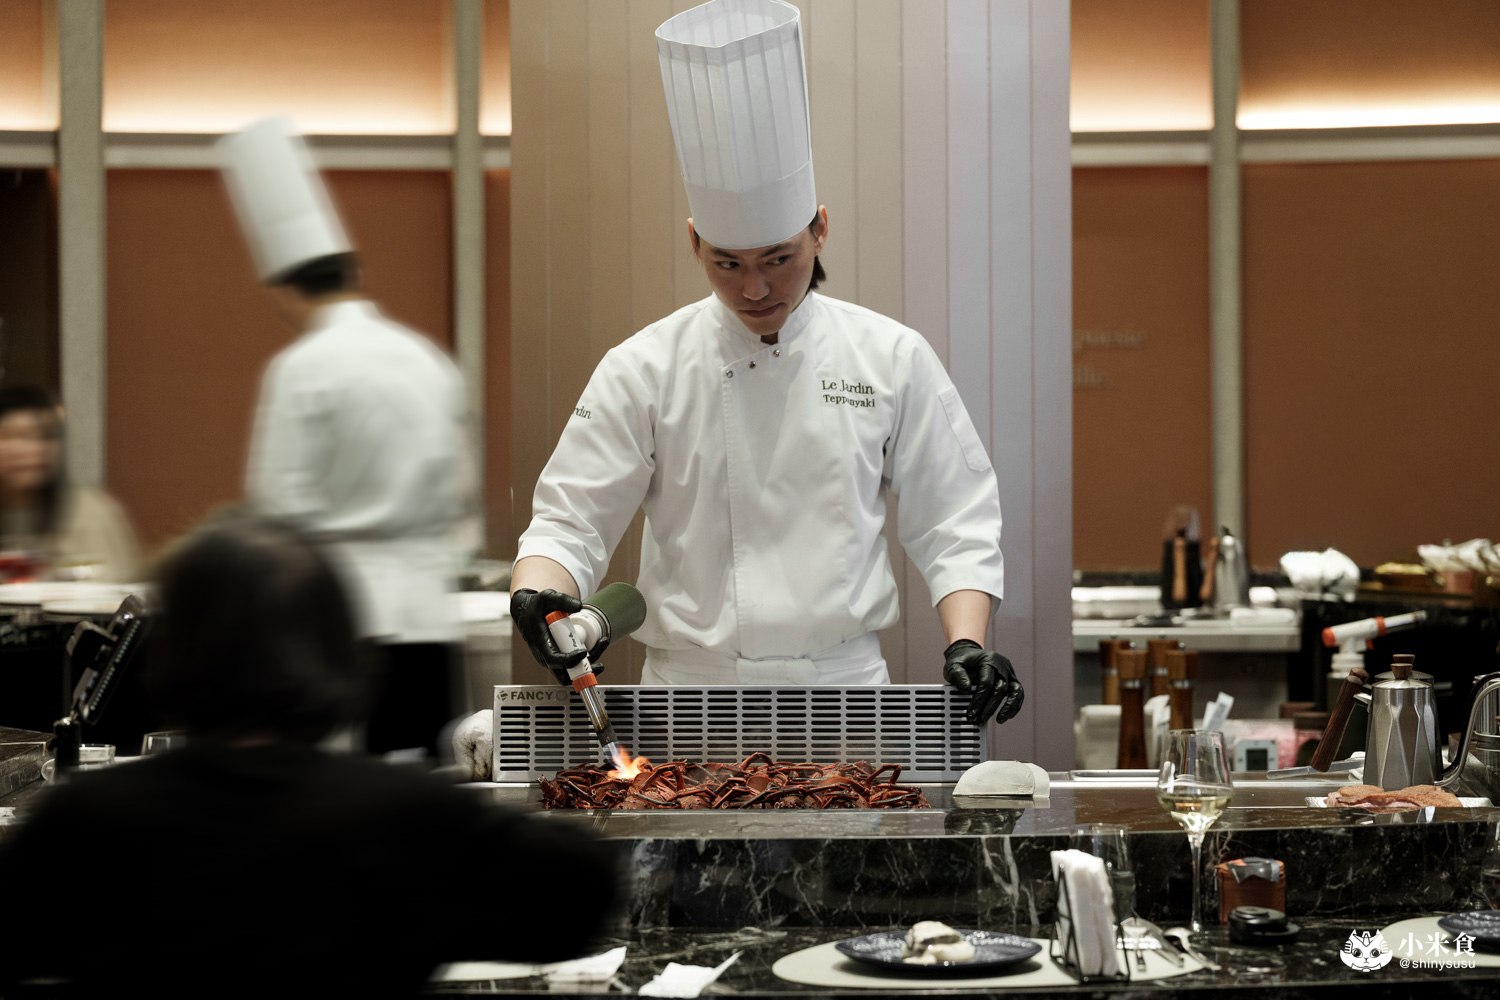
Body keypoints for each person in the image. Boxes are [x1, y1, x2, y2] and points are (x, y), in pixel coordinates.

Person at [508, 0, 1022, 728]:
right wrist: (536, 596)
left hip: (844, 694)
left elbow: (956, 519)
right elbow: (570, 520)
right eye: (728, 263)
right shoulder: (644, 367)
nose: (755, 288)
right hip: (687, 698)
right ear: (695, 242)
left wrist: (967, 642)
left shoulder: (891, 355)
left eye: (779, 258)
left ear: (820, 229)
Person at [0, 515, 620, 998]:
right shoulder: (406, 817)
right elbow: (580, 894)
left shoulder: (78, 825)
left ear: (168, 657)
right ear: (340, 655)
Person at [220, 116, 477, 757]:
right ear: (351, 273)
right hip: (429, 617)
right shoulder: (426, 358)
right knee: (418, 779)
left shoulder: (301, 368)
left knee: (339, 788)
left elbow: (276, 511)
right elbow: (462, 495)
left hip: (337, 620)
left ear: (284, 290)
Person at [0, 385, 142, 582]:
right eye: (12, 436)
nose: (30, 449)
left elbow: (121, 589)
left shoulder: (91, 512)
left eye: (45, 436)